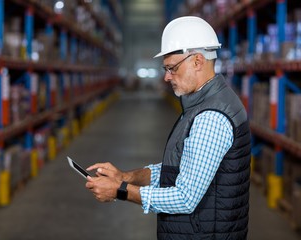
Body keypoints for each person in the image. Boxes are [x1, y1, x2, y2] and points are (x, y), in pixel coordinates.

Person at [85, 16, 251, 239]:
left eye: (172, 68)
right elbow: (185, 167)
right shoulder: (203, 103)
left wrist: (120, 191)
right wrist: (126, 177)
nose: (166, 77)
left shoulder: (211, 116)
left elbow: (185, 197)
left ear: (198, 61)